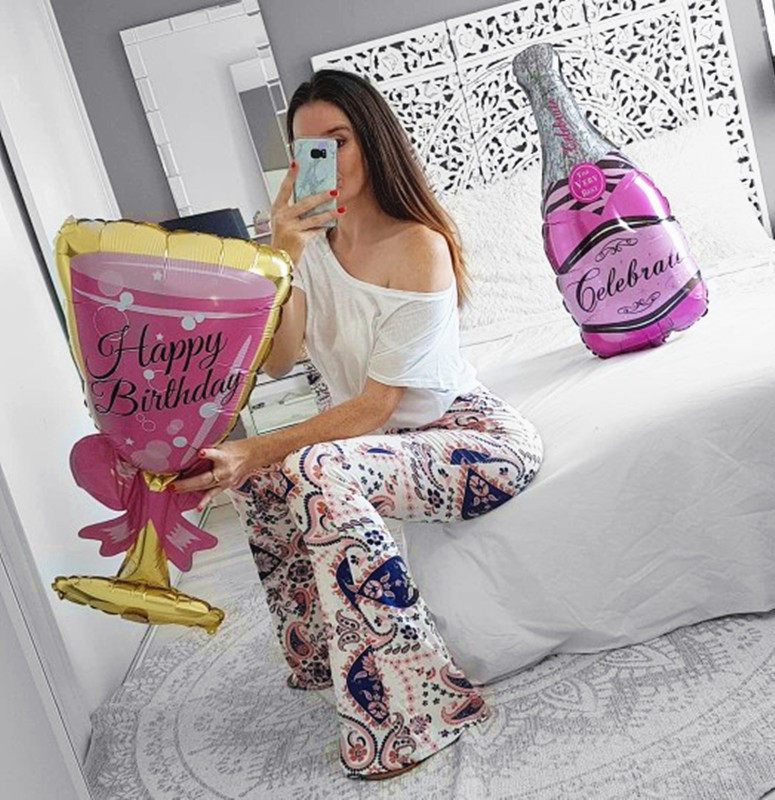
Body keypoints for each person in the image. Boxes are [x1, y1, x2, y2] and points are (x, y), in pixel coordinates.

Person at [170, 69, 544, 781]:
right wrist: (282, 255)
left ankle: (419, 710)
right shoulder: (310, 250)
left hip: (471, 440)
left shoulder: (419, 245)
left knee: (305, 464)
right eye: (305, 148)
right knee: (263, 479)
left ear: (372, 142)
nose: (322, 160)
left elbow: (375, 408)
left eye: (336, 141)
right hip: (383, 442)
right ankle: (317, 654)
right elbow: (280, 360)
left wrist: (256, 448)